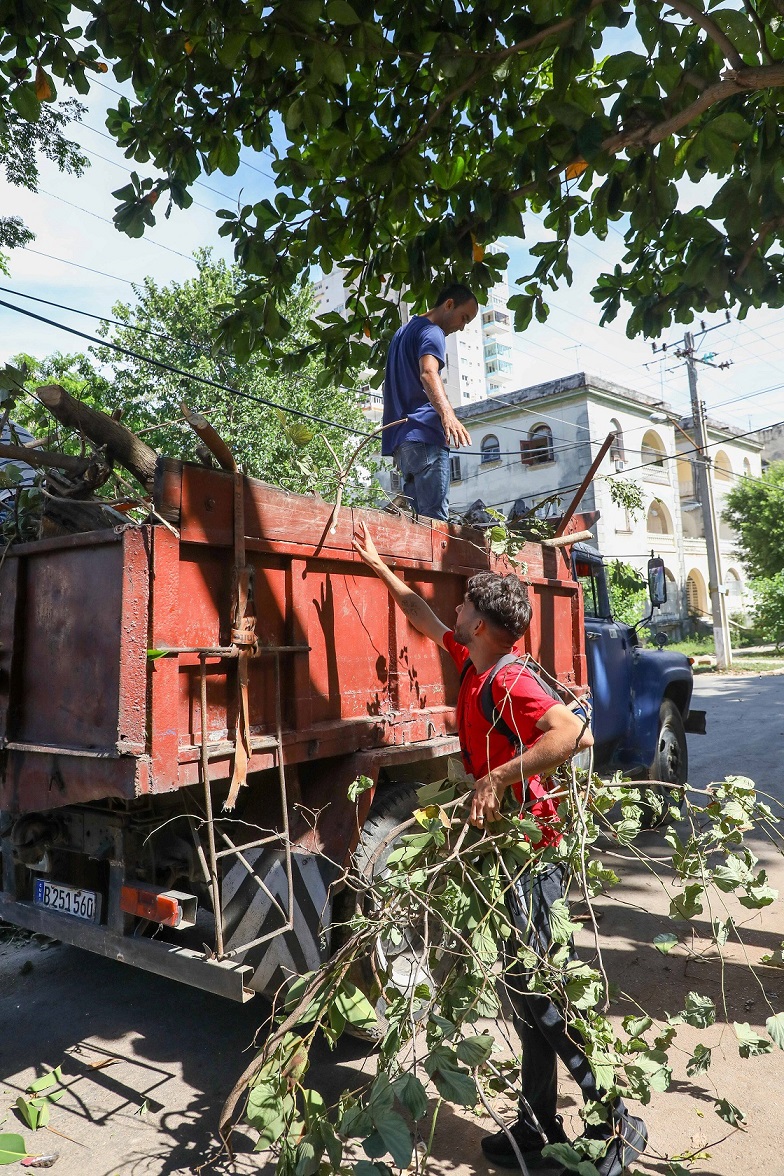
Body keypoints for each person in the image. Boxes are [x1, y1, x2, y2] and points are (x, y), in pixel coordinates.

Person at [351, 521, 648, 1176]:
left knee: (538, 995)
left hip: (532, 855)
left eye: (464, 606)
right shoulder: (476, 663)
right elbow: (424, 618)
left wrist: (495, 777)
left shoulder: (509, 683)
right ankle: (537, 1128)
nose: (453, 611)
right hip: (507, 852)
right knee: (523, 991)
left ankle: (614, 1116)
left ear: (482, 625)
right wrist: (380, 568)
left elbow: (575, 735)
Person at [381, 284, 478, 522]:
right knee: (435, 523)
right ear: (449, 304)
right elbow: (428, 373)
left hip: (403, 444)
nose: (462, 327)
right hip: (425, 437)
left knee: (419, 523)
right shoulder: (432, 332)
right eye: (463, 317)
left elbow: (390, 386)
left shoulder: (401, 333)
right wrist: (448, 415)